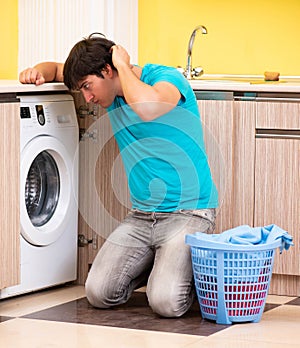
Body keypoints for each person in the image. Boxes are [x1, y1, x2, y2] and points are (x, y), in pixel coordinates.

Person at [19, 33, 218, 318]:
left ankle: (177, 271)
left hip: (190, 212)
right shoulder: (107, 88)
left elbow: (149, 108)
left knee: (166, 303)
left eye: (88, 87)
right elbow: (55, 67)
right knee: (99, 292)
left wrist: (123, 65)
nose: (87, 97)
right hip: (142, 216)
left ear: (108, 70)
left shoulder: (166, 78)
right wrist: (38, 70)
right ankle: (161, 264)